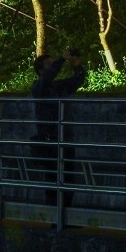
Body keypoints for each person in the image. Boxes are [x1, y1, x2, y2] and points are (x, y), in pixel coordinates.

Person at [30, 48, 87, 221]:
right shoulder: (38, 87)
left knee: (68, 180)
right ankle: (55, 219)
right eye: (49, 65)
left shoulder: (57, 87)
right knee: (53, 181)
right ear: (40, 70)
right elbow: (48, 77)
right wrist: (61, 60)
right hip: (49, 142)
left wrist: (77, 66)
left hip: (64, 139)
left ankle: (65, 218)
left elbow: (77, 81)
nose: (54, 67)